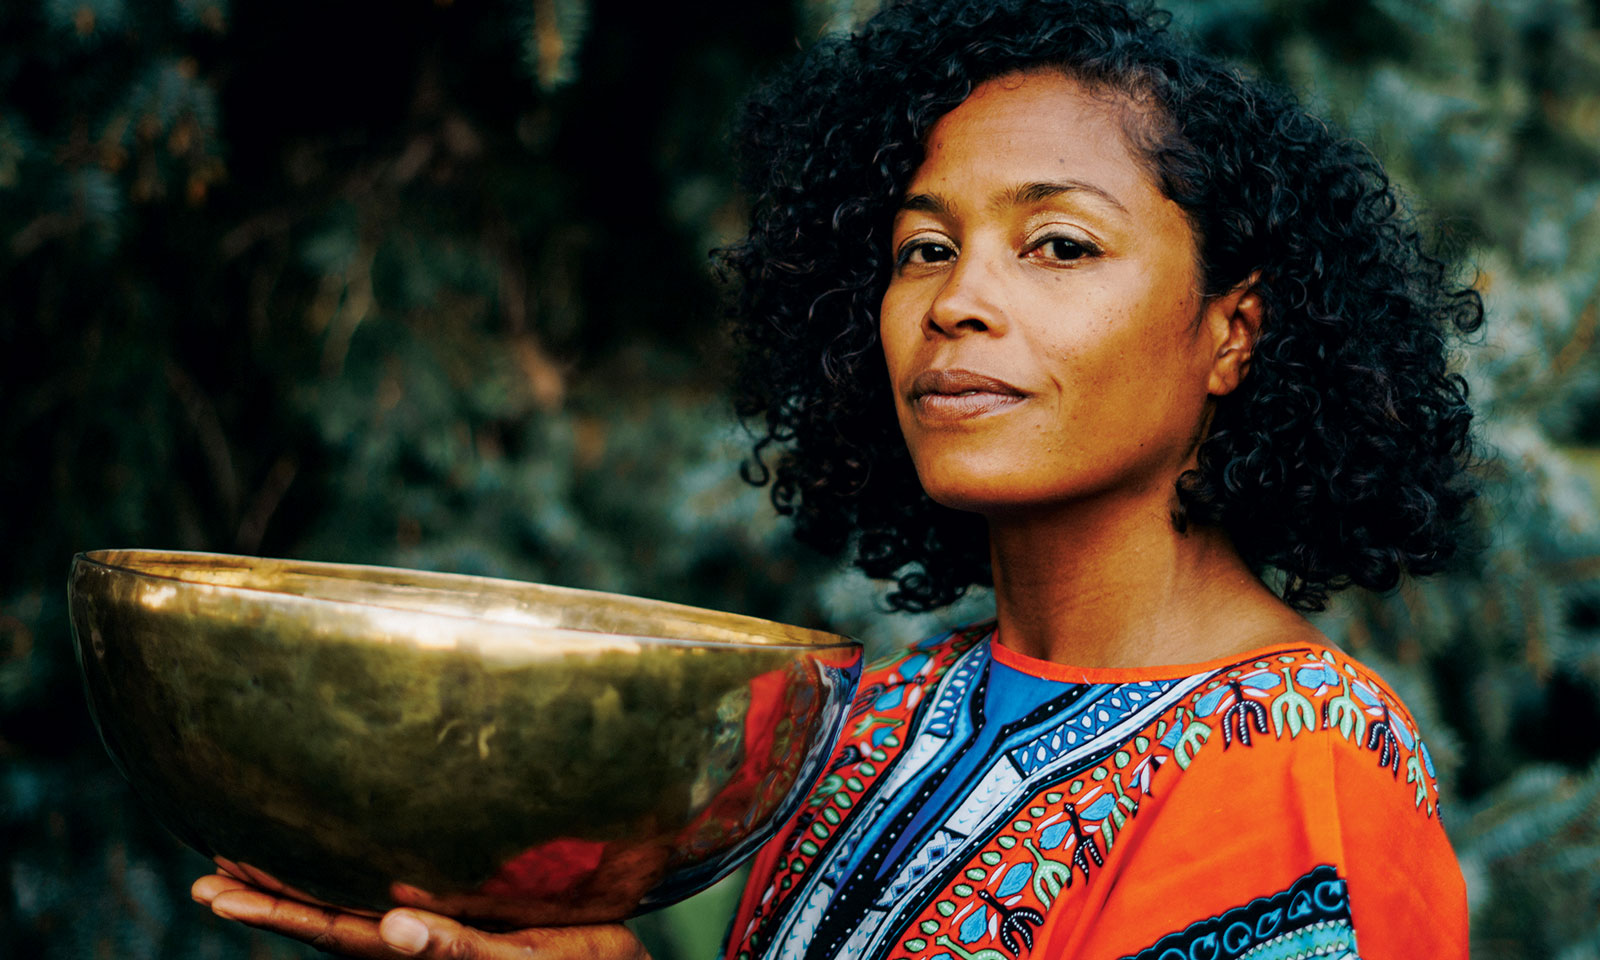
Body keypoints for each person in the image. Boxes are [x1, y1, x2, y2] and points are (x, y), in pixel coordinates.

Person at [191, 0, 1482, 956]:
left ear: (1233, 332)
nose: (959, 301)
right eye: (924, 247)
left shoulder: (1302, 769)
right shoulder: (870, 723)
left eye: (1059, 243)